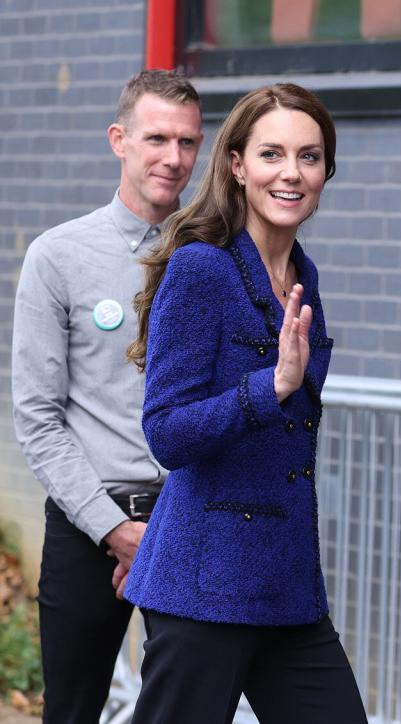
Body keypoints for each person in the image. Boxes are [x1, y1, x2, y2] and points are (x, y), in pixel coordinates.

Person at [122, 83, 366, 724]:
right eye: (272, 154)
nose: (292, 173)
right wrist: (271, 388)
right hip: (203, 588)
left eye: (309, 157)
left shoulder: (304, 275)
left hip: (286, 588)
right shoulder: (201, 268)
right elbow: (167, 433)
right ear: (236, 164)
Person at [10, 70, 203, 724]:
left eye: (187, 142)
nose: (173, 158)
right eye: (156, 139)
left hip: (188, 521)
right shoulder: (58, 257)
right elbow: (38, 419)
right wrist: (115, 530)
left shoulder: (214, 256)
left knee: (186, 708)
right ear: (119, 140)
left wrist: (166, 529)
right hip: (90, 525)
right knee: (72, 712)